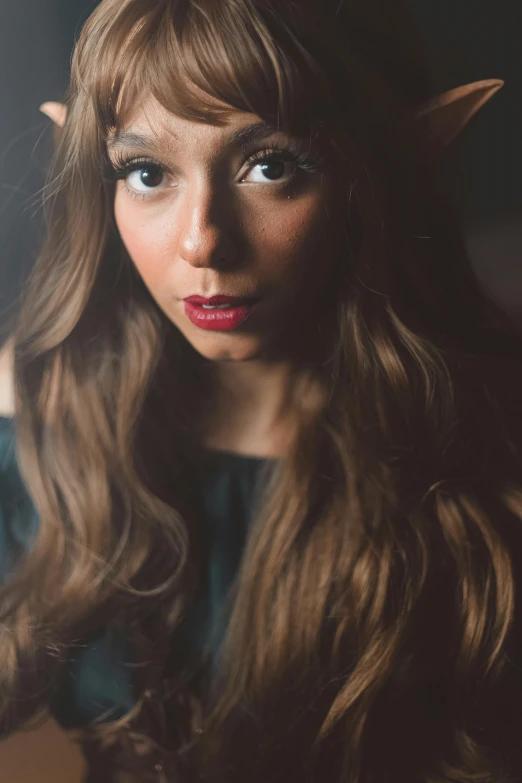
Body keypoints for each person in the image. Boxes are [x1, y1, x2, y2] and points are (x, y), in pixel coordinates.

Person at [1, 1, 522, 781]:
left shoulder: (485, 455)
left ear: (378, 174)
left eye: (271, 165)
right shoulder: (36, 407)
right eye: (147, 173)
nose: (202, 239)